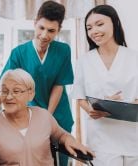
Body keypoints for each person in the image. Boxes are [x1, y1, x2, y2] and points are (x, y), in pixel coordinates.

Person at [0, 1, 74, 165]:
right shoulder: (19, 53)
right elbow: (5, 87)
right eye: (41, 28)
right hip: (29, 118)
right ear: (35, 23)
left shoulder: (63, 51)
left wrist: (47, 117)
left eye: (51, 31)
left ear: (58, 30)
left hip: (58, 116)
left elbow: (59, 85)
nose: (44, 35)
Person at [0, 68, 94, 165]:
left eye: (16, 91)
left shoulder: (43, 116)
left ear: (30, 94)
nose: (8, 97)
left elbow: (60, 135)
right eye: (4, 91)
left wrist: (69, 140)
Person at [72, 5, 138, 166]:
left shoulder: (134, 57)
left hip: (133, 137)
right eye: (89, 27)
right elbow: (80, 97)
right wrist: (92, 111)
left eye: (99, 24)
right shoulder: (84, 61)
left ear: (114, 23)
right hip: (102, 140)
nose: (94, 31)